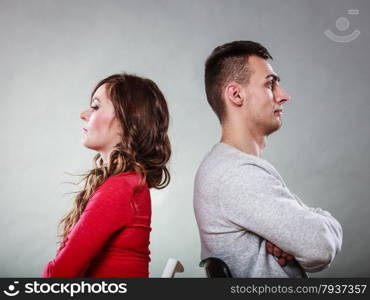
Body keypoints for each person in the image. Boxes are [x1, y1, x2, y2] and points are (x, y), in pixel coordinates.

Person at [193, 41, 343, 278]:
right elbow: (320, 247)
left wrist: (295, 236)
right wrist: (317, 225)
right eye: (270, 84)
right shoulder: (236, 173)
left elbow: (312, 244)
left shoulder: (230, 167)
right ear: (236, 94)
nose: (283, 96)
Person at [42, 73, 171, 277]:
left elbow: (58, 275)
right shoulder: (129, 183)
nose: (83, 114)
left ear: (127, 120)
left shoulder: (121, 187)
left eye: (95, 107)